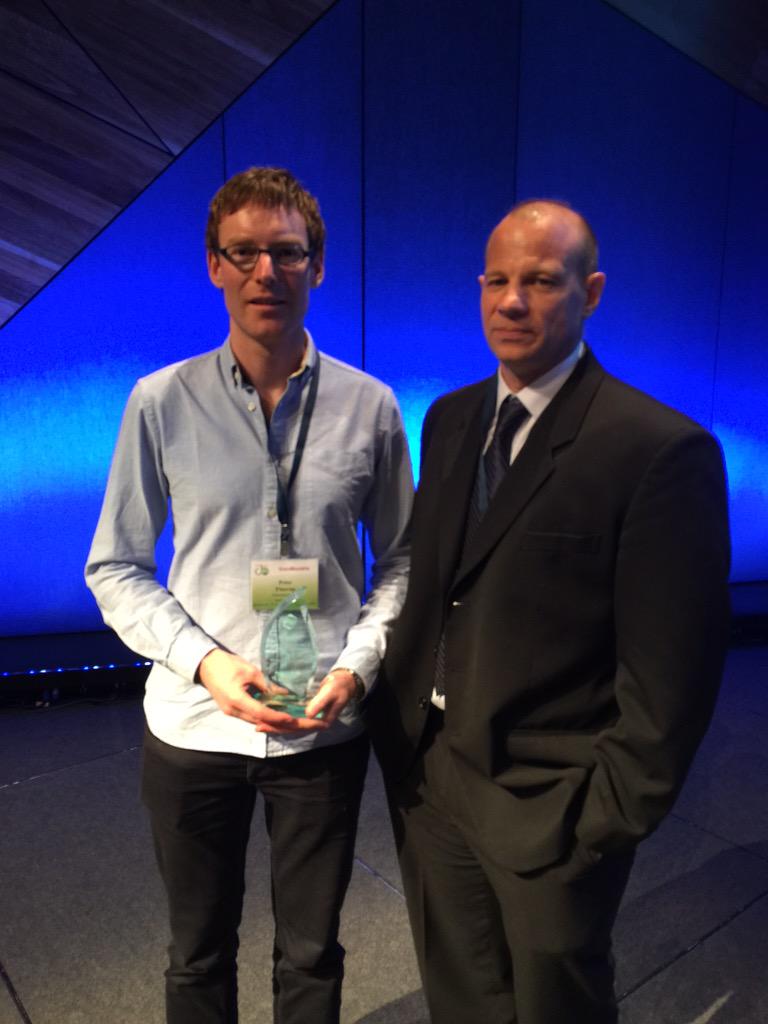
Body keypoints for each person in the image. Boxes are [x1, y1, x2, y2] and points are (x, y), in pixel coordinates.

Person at [366, 199, 731, 1024]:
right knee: (462, 998)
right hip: (429, 774)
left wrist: (603, 821)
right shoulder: (450, 418)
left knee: (556, 1007)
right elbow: (441, 582)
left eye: (539, 281)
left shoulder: (657, 449)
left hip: (554, 802)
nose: (511, 301)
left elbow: (673, 677)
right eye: (496, 280)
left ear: (591, 292)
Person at [85, 166, 413, 1024]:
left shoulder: (372, 407)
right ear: (214, 266)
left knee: (312, 956)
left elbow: (405, 563)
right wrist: (206, 664)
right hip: (195, 726)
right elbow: (114, 566)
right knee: (196, 956)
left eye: (287, 252)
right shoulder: (160, 402)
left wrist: (359, 666)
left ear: (318, 265)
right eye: (244, 253)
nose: (266, 271)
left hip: (324, 727)